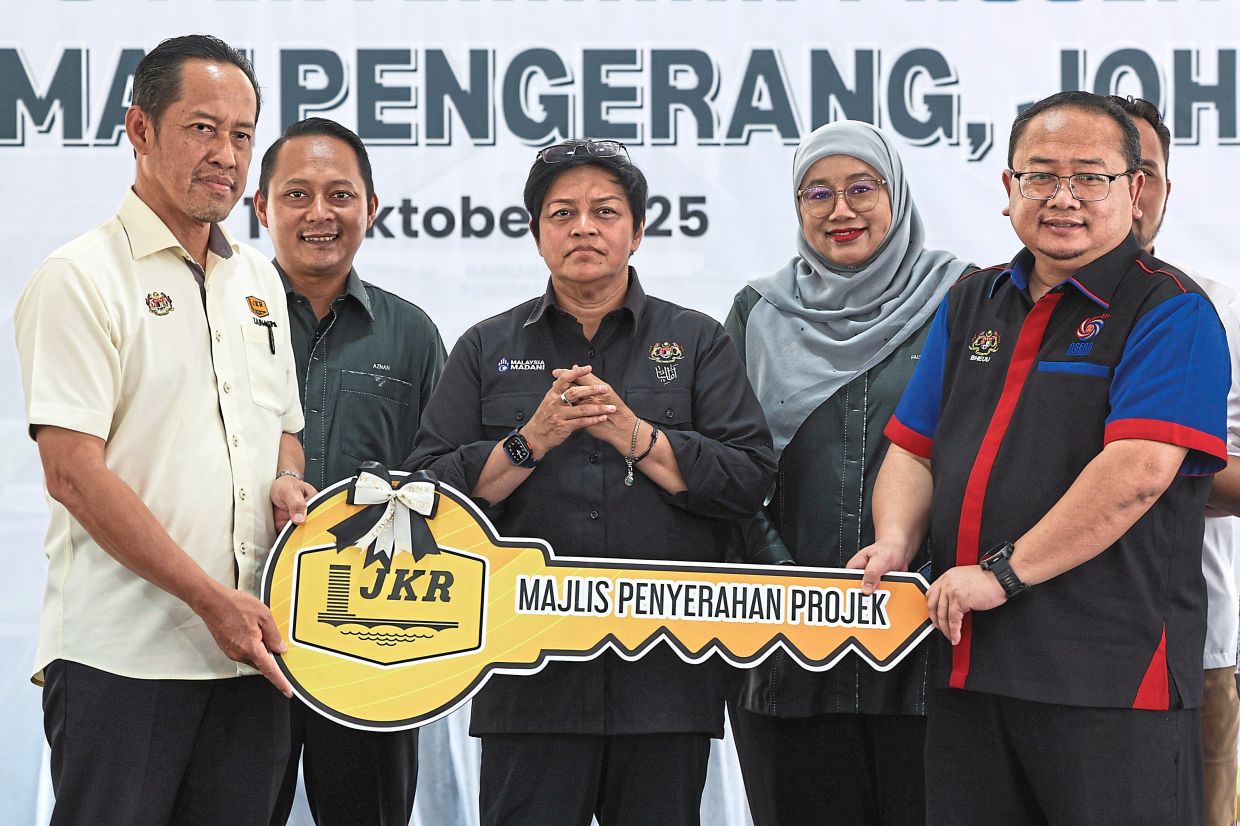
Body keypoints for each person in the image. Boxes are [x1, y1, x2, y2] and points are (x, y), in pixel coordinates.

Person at [853, 90, 1229, 825]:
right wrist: (896, 540)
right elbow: (914, 446)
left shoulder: (1171, 310)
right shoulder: (971, 300)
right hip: (969, 665)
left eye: (1090, 176)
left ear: (1135, 189)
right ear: (1007, 189)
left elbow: (1138, 474)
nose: (1063, 197)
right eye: (1040, 176)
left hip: (1110, 680)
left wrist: (1001, 574)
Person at [406, 138, 776, 825]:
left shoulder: (697, 343)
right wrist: (530, 441)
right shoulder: (486, 346)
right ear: (535, 232)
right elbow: (425, 495)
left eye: (604, 211)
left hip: (666, 678)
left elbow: (749, 481)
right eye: (561, 213)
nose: (583, 227)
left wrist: (635, 435)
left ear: (637, 230)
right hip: (527, 680)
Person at [14, 34, 314, 824]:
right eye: (202, 128)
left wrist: (286, 476)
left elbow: (284, 424)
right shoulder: (79, 279)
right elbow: (73, 473)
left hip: (253, 657)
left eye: (243, 135)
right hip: (123, 660)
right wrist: (209, 599)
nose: (226, 155)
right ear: (140, 130)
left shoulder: (257, 280)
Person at [724, 120, 970, 826]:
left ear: (897, 195)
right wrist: (792, 587)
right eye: (817, 193)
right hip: (787, 642)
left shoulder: (963, 301)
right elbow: (726, 468)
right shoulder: (758, 312)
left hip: (925, 636)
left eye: (863, 188)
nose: (841, 210)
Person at [255, 117, 447, 826]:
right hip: (238, 635)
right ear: (262, 208)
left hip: (371, 638)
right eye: (296, 195)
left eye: (340, 195)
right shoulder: (224, 319)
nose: (319, 214)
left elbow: (443, 479)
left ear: (371, 208)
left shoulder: (413, 334)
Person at [1108, 94, 1240, 826]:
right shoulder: (1002, 308)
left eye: (1147, 173)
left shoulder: (1217, 310)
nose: (1132, 191)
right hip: (1044, 633)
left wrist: (1143, 462)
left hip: (1198, 637)